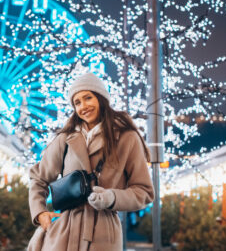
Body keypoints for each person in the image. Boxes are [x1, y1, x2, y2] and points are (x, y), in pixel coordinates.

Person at [28, 73, 154, 251]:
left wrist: (111, 198)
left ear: (101, 99)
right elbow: (38, 178)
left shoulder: (127, 138)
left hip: (104, 234)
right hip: (64, 231)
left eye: (88, 98)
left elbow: (144, 192)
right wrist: (40, 213)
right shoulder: (65, 139)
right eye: (77, 102)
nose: (83, 106)